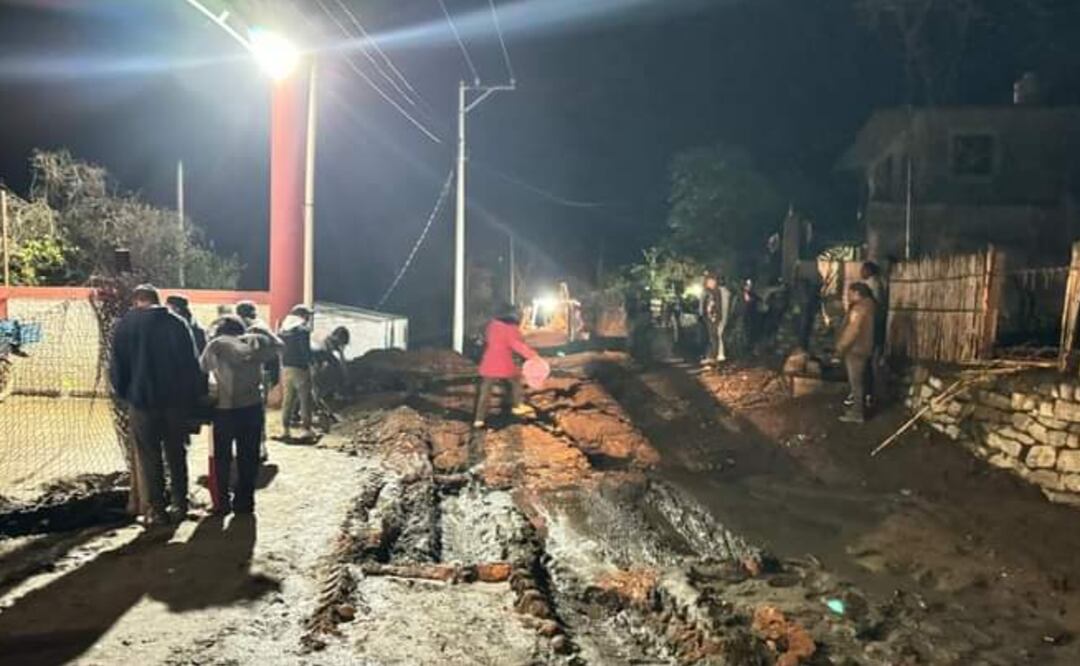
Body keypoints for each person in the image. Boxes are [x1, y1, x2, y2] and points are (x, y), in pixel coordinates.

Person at [110, 284, 204, 526]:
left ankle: (156, 510)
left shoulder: (124, 326)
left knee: (149, 456)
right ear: (157, 300)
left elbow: (117, 369)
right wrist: (193, 399)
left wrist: (127, 394)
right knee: (176, 452)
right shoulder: (177, 323)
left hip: (141, 402)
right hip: (175, 402)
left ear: (136, 302)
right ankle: (180, 504)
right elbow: (192, 366)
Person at [201, 315, 282, 514]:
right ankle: (244, 501)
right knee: (249, 456)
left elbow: (203, 367)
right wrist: (261, 331)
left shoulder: (215, 345)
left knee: (222, 458)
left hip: (224, 409)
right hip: (251, 407)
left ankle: (222, 502)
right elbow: (279, 346)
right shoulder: (258, 343)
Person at [474, 304, 540, 429]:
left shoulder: (491, 325)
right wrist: (533, 355)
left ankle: (479, 419)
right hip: (503, 361)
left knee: (485, 391)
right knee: (515, 380)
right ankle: (517, 405)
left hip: (488, 361)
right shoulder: (510, 328)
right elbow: (517, 345)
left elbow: (486, 339)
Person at [836, 282, 876, 424]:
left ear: (857, 293)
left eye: (850, 293)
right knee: (862, 381)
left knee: (856, 384)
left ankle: (857, 414)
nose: (848, 296)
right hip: (866, 348)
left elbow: (852, 331)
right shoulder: (871, 305)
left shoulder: (859, 309)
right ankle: (860, 409)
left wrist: (840, 347)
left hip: (856, 349)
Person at [278, 304, 315, 440]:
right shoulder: (302, 329)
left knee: (288, 400)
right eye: (307, 315)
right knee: (305, 399)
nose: (308, 318)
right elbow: (305, 350)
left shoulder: (283, 329)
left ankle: (285, 430)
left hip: (286, 367)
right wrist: (311, 363)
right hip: (300, 368)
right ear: (302, 315)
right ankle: (306, 430)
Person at [701, 274, 732, 366]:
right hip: (711, 317)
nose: (708, 284)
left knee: (715, 336)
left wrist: (717, 317)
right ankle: (714, 355)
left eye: (710, 282)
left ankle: (715, 356)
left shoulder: (717, 292)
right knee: (713, 336)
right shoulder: (710, 292)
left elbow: (718, 306)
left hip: (715, 317)